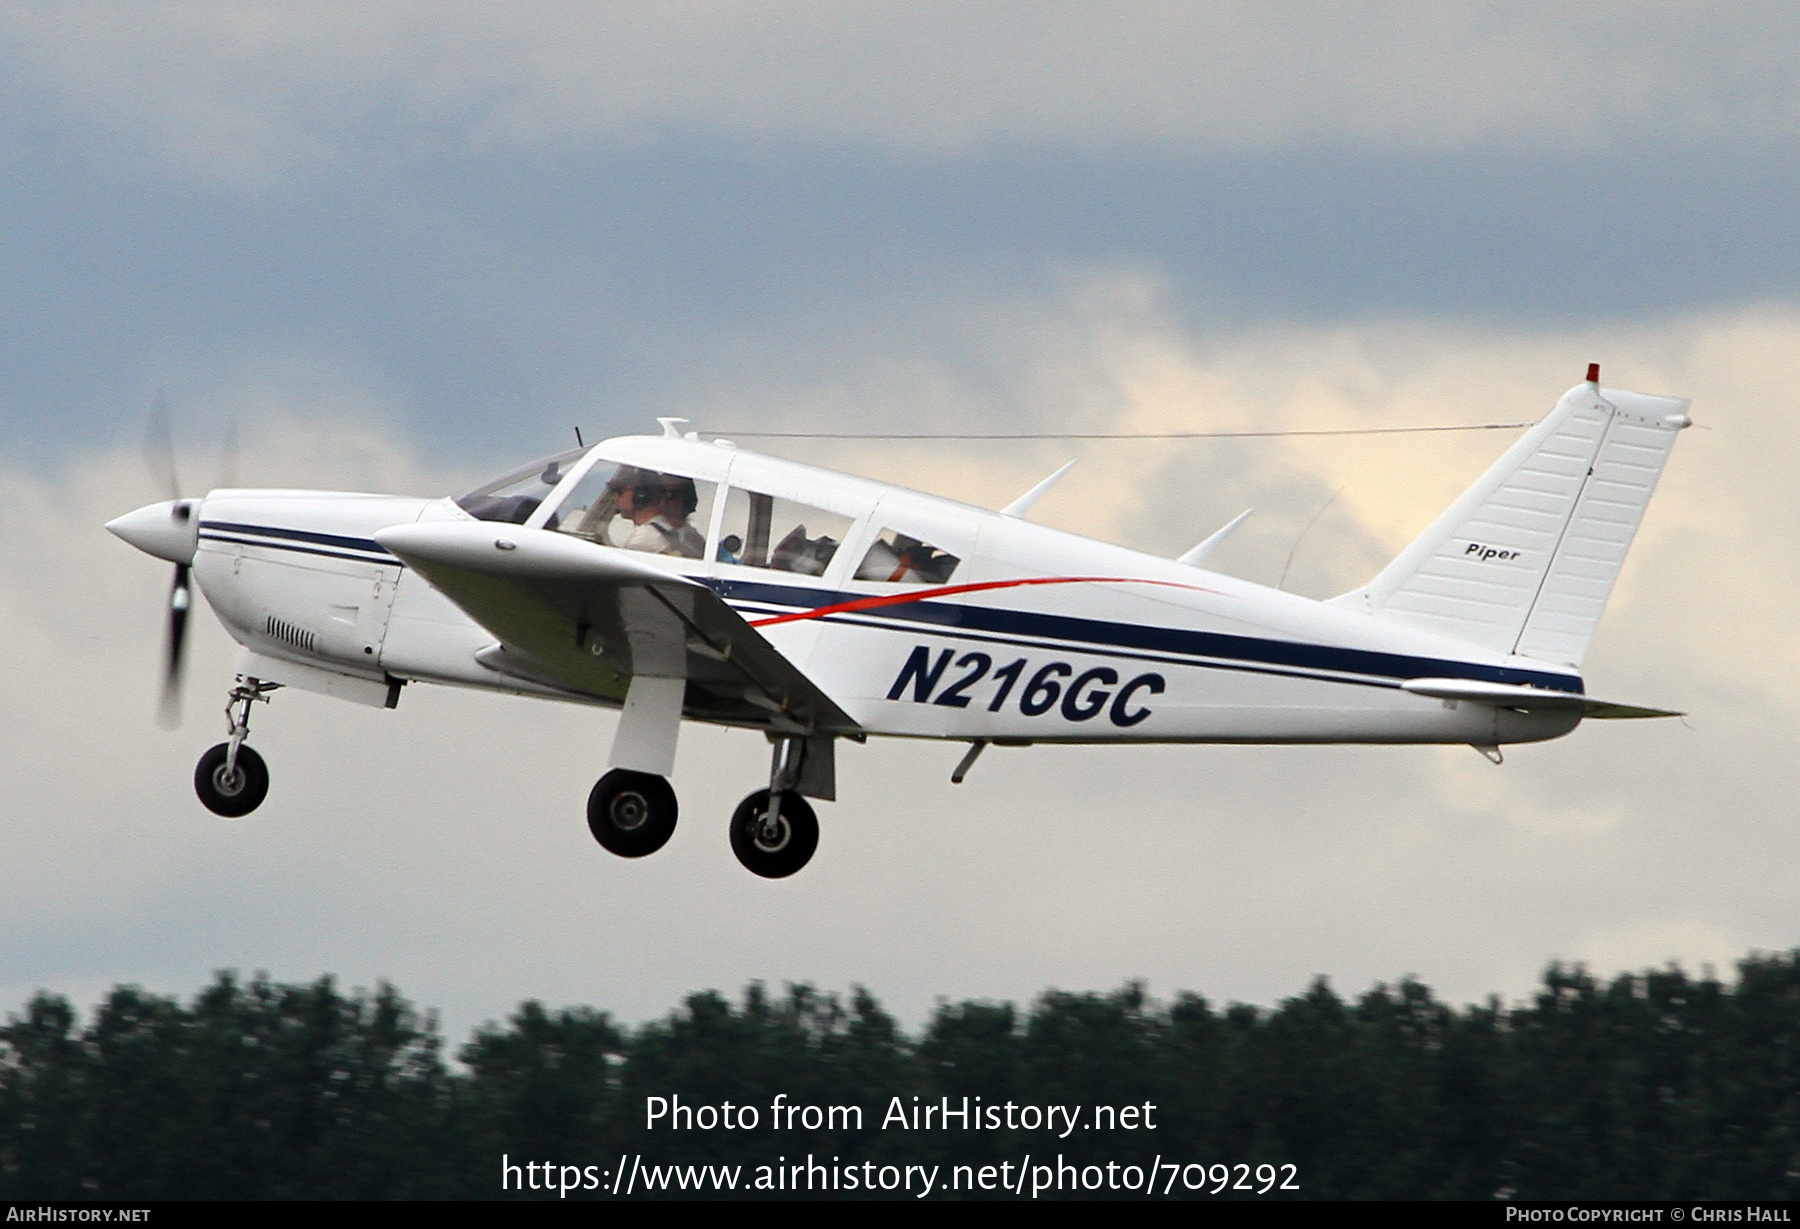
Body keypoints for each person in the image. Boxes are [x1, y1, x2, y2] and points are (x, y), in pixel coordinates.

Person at [618, 473, 705, 558]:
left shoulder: (646, 536)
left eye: (669, 495)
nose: (661, 500)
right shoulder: (694, 540)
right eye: (660, 493)